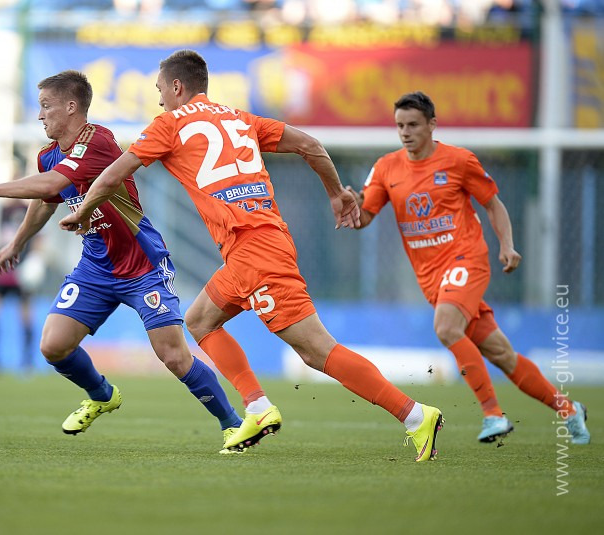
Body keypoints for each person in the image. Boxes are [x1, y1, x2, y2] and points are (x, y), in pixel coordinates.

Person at [59, 49, 444, 461]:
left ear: (177, 86)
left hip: (255, 251)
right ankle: (258, 407)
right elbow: (310, 145)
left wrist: (83, 210)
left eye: (160, 90)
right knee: (200, 319)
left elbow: (114, 174)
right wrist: (336, 193)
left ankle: (414, 414)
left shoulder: (169, 124)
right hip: (255, 245)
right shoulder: (241, 118)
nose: (158, 99)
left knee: (315, 350)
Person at [0, 70, 248, 452]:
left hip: (142, 265)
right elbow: (46, 200)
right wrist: (17, 243)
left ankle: (232, 424)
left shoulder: (97, 141)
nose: (40, 115)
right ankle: (102, 394)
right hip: (95, 268)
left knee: (172, 355)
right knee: (53, 346)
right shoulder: (48, 155)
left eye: (46, 106)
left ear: (71, 107)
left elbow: (53, 184)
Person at [348, 91, 590, 444]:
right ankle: (569, 409)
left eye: (413, 125)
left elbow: (493, 204)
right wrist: (352, 207)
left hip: (467, 260)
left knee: (446, 327)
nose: (405, 132)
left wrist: (506, 245)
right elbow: (365, 218)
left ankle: (493, 415)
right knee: (501, 354)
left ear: (432, 124)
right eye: (400, 125)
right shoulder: (386, 168)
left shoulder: (458, 161)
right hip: (431, 278)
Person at [0, 198, 36, 375]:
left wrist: (34, 263)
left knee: (26, 316)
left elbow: (38, 239)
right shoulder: (2, 211)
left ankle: (27, 362)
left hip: (23, 271)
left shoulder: (29, 208)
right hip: (5, 270)